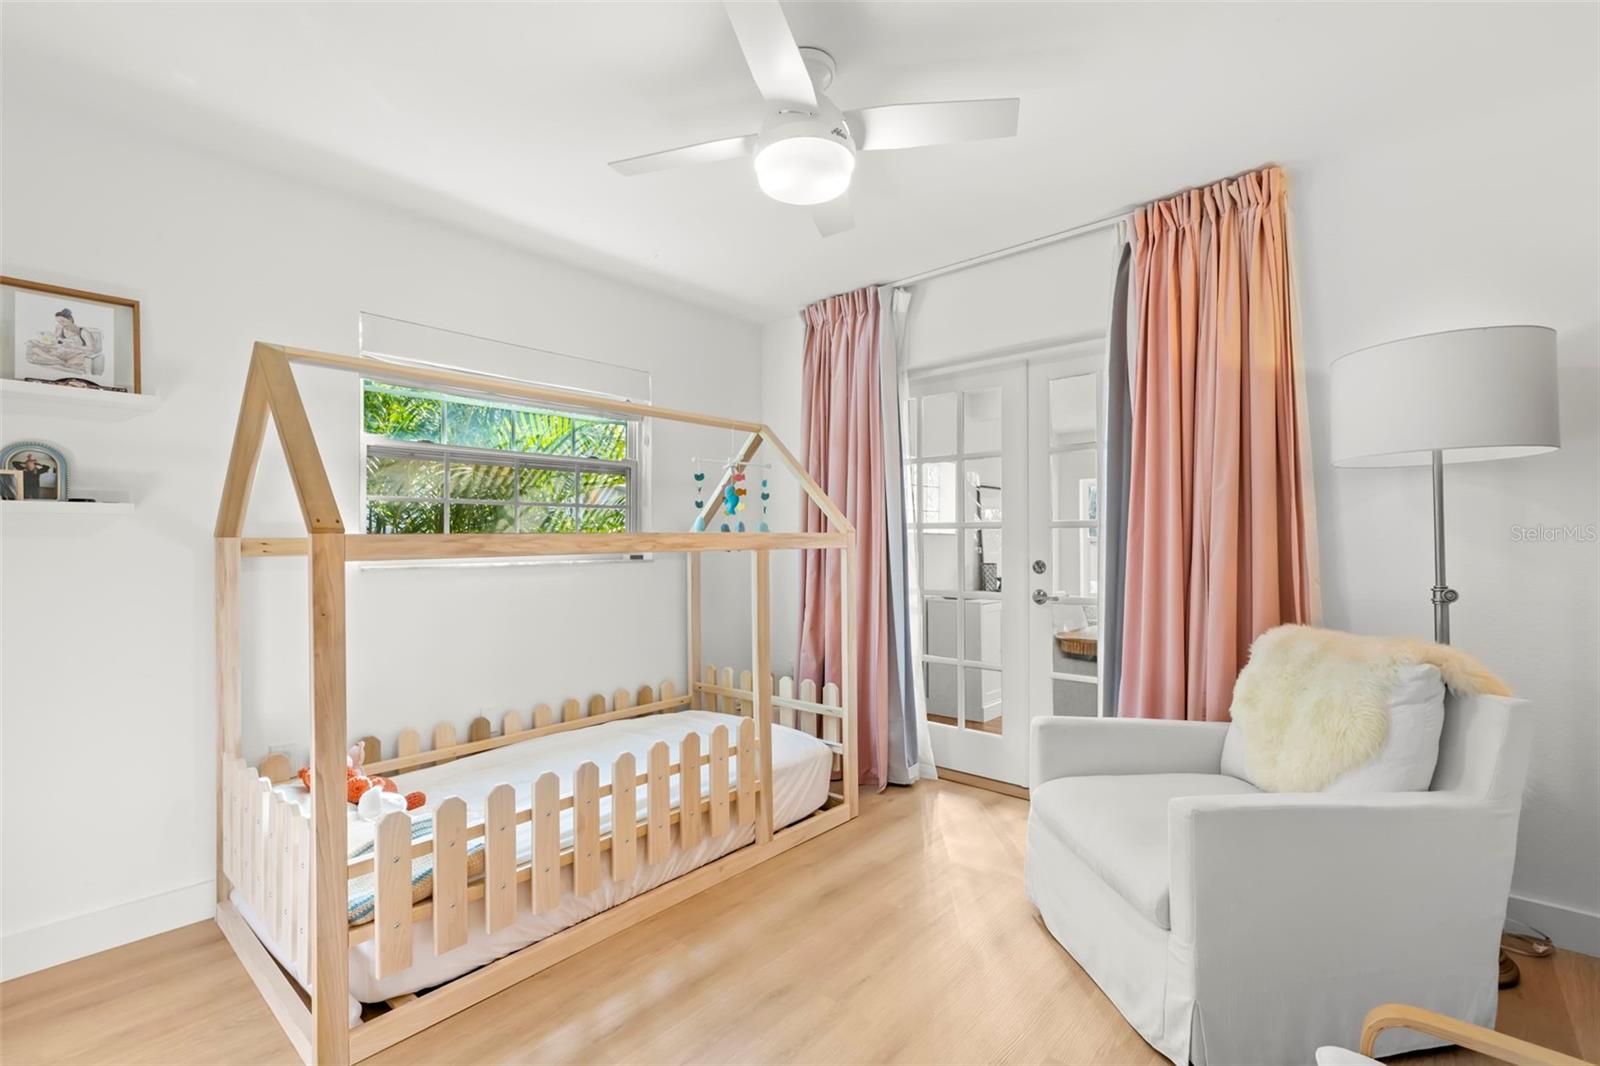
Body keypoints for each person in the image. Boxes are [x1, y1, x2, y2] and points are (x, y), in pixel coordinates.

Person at [24, 307, 105, 377]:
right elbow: (56, 342)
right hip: (60, 352)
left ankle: (57, 361)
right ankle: (57, 360)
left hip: (75, 354)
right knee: (33, 347)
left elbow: (92, 348)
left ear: (70, 319)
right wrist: (45, 343)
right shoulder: (60, 329)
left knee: (73, 362)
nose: (61, 324)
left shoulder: (83, 331)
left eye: (62, 321)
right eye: (59, 322)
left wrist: (73, 346)